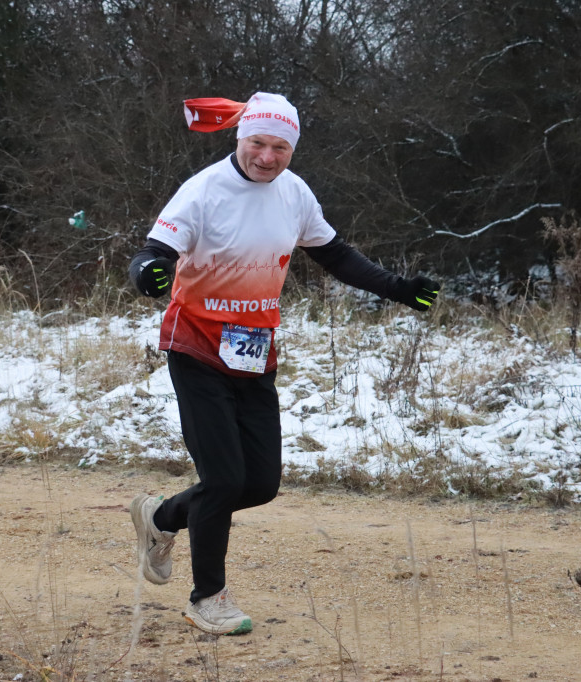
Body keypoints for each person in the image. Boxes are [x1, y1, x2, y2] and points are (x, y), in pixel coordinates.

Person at [128, 92, 440, 636]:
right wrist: (146, 274)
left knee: (260, 484)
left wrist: (398, 288)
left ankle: (161, 517)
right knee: (223, 479)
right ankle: (209, 598)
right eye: (257, 143)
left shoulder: (294, 194)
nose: (267, 157)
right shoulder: (203, 191)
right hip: (196, 345)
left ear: (291, 149)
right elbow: (155, 251)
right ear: (239, 137)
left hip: (253, 351)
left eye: (279, 147)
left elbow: (335, 254)